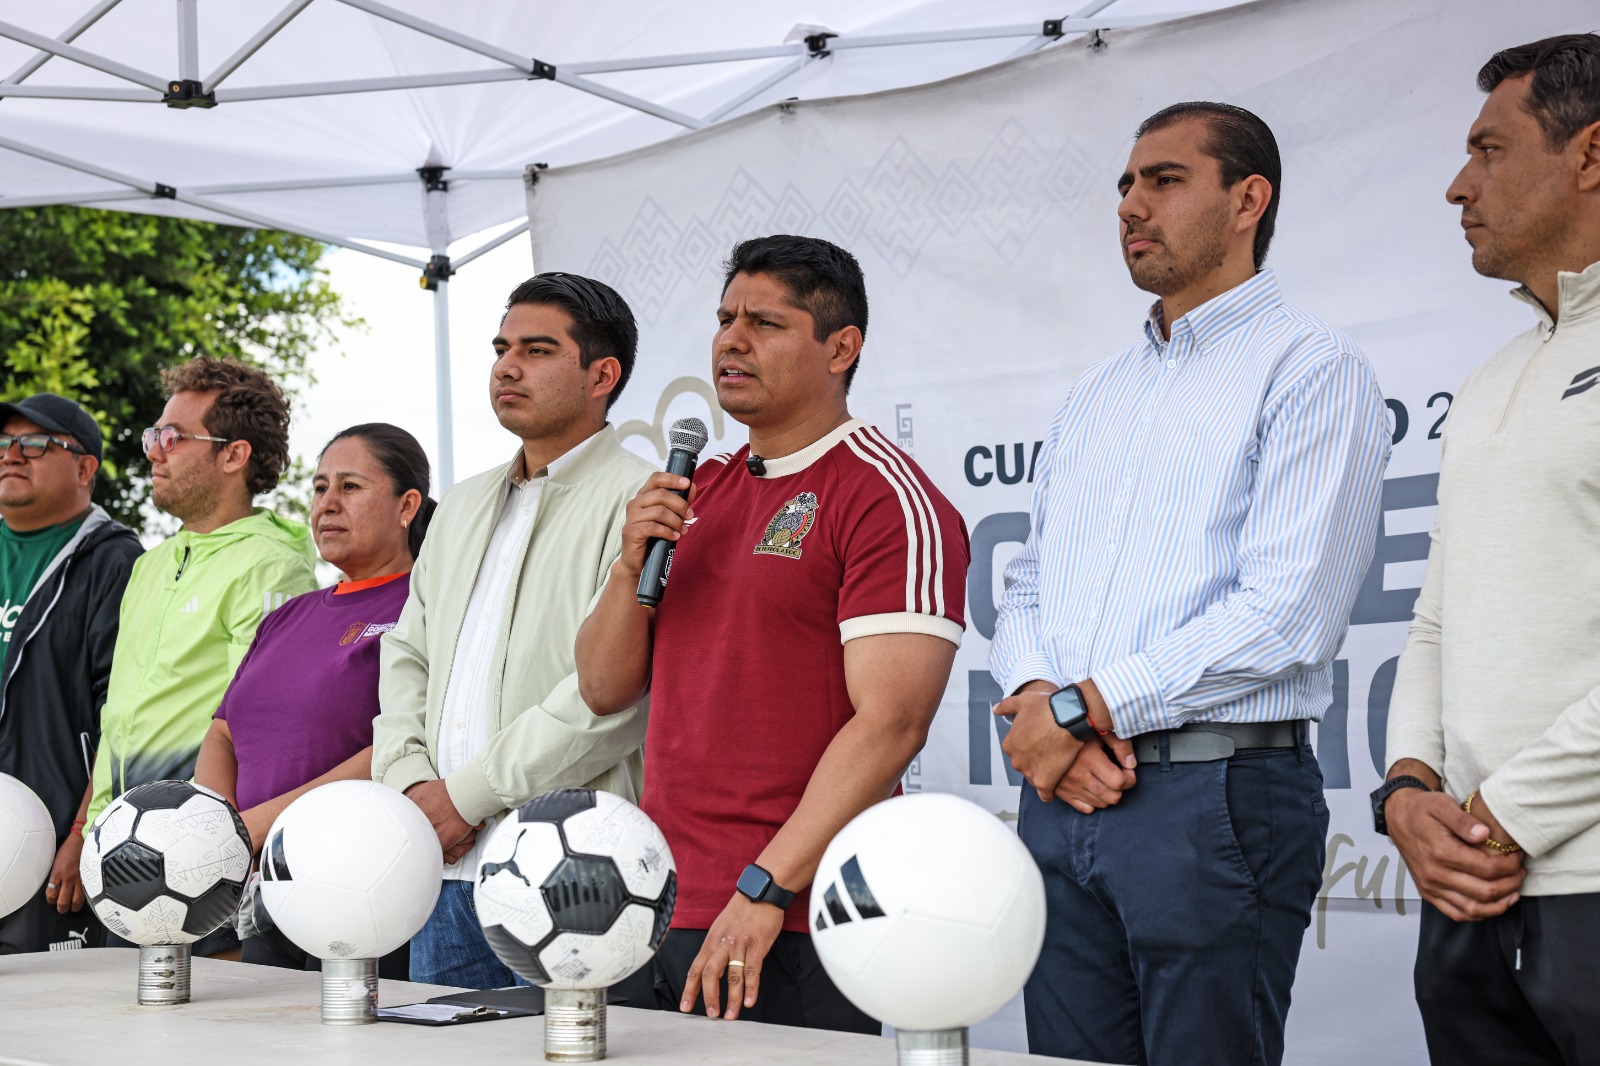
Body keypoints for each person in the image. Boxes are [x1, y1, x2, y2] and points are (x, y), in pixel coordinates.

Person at [988, 103, 1389, 1065]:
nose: (1131, 204)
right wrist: (1044, 705)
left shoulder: (1310, 368)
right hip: (1066, 796)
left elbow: (1289, 614)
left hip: (1216, 796)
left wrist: (1082, 710)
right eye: (1126, 184)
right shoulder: (1098, 392)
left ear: (1249, 199)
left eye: (1164, 180)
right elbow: (1031, 580)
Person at [577, 235, 970, 1032]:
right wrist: (627, 569)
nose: (731, 339)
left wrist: (764, 888)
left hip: (792, 913)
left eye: (765, 322)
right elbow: (603, 686)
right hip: (652, 899)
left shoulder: (886, 496)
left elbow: (892, 724)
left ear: (841, 347)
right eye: (725, 318)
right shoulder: (698, 488)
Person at [1380, 35, 1600, 1065]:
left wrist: (1498, 815)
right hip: (1470, 889)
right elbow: (1436, 617)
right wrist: (1405, 793)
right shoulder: (1488, 378)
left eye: (1488, 149)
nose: (1456, 185)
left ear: (1589, 155)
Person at [372, 272, 654, 988]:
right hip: (440, 866)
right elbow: (406, 657)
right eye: (501, 347)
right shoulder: (462, 504)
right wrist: (410, 788)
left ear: (603, 374)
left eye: (536, 349)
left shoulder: (642, 499)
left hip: (578, 880)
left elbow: (613, 700)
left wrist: (463, 798)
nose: (506, 366)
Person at [87, 355, 319, 955]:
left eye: (172, 436)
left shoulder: (272, 564)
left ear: (233, 455)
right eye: (153, 436)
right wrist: (92, 827)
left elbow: (262, 729)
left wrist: (221, 853)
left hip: (202, 870)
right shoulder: (149, 564)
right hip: (117, 853)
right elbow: (119, 717)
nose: (154, 452)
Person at [194, 423, 433, 976]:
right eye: (320, 487)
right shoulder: (288, 615)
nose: (328, 503)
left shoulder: (424, 603)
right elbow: (224, 730)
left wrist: (254, 828)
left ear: (407, 505)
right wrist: (210, 829)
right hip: (261, 885)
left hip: (361, 879)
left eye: (350, 487)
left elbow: (403, 741)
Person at [0, 394, 142, 954]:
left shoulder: (115, 562)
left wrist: (85, 833)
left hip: (46, 844)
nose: (13, 455)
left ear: (85, 468)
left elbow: (124, 716)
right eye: (5, 444)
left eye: (34, 444)